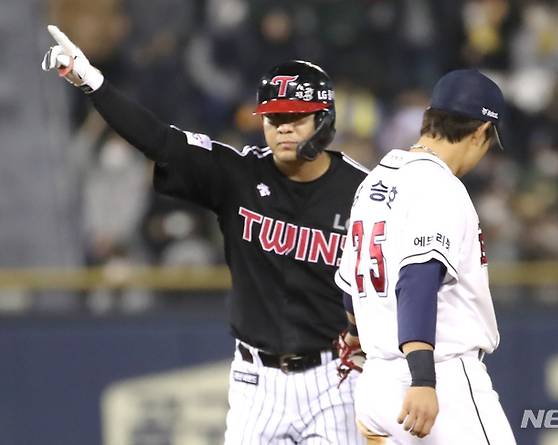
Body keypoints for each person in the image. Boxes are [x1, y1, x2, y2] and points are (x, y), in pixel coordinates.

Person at [42, 25, 368, 444]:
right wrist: (91, 81)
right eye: (273, 118)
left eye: (294, 118)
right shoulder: (238, 174)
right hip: (257, 382)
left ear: (324, 120)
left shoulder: (365, 192)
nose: (282, 128)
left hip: (336, 379)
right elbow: (159, 140)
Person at [334, 69, 517, 444]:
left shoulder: (376, 180)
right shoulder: (438, 185)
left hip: (375, 385)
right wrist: (422, 379)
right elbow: (416, 279)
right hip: (436, 380)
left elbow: (351, 282)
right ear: (481, 131)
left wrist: (355, 333)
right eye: (488, 142)